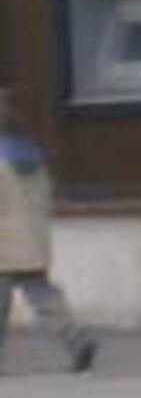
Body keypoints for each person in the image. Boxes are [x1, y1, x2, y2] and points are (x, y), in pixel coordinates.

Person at [0, 90, 96, 374]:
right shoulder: (31, 154)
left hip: (3, 242)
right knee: (44, 296)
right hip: (33, 238)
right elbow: (45, 195)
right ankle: (77, 341)